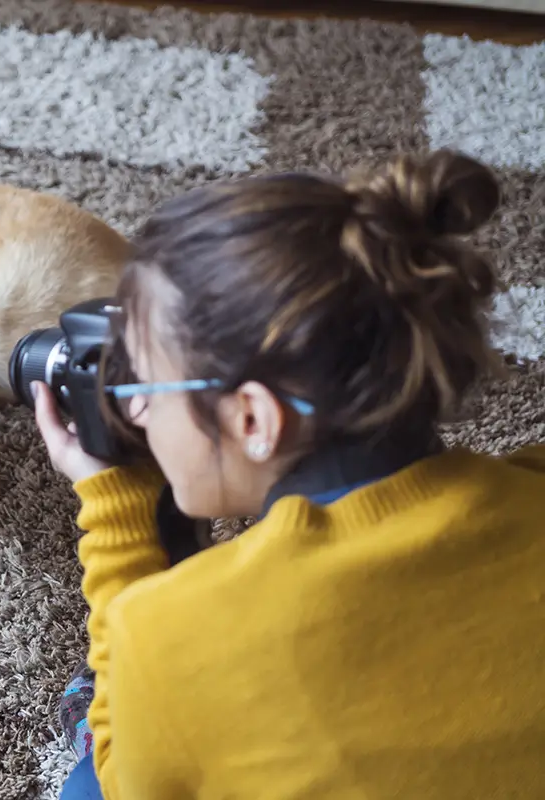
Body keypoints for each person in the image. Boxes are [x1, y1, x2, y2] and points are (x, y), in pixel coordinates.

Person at [31, 149, 545, 800]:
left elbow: (126, 778)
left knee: (90, 781)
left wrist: (114, 504)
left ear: (253, 419)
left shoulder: (170, 636)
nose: (135, 410)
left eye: (147, 384)